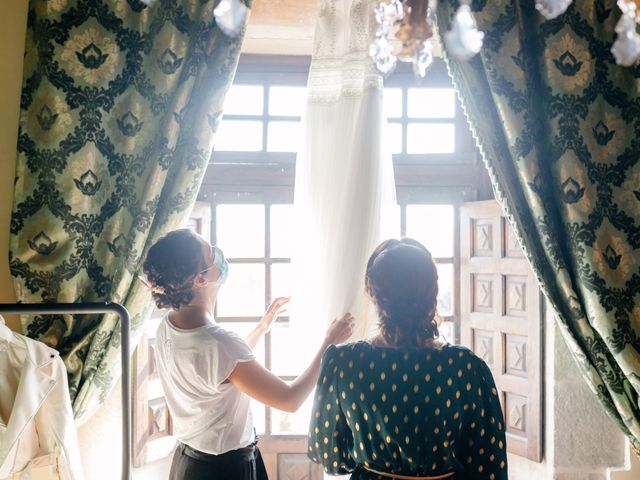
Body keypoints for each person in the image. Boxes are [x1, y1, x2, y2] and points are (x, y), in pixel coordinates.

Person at [141, 228, 354, 480]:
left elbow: (221, 370)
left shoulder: (169, 325)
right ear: (200, 280)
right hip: (223, 470)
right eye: (211, 254)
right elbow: (290, 399)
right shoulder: (219, 343)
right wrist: (329, 344)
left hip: (187, 463)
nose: (218, 254)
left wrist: (263, 326)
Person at [308, 238, 508, 479]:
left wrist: (374, 455)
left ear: (373, 294)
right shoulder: (466, 367)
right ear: (432, 295)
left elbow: (331, 458)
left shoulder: (343, 363)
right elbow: (488, 466)